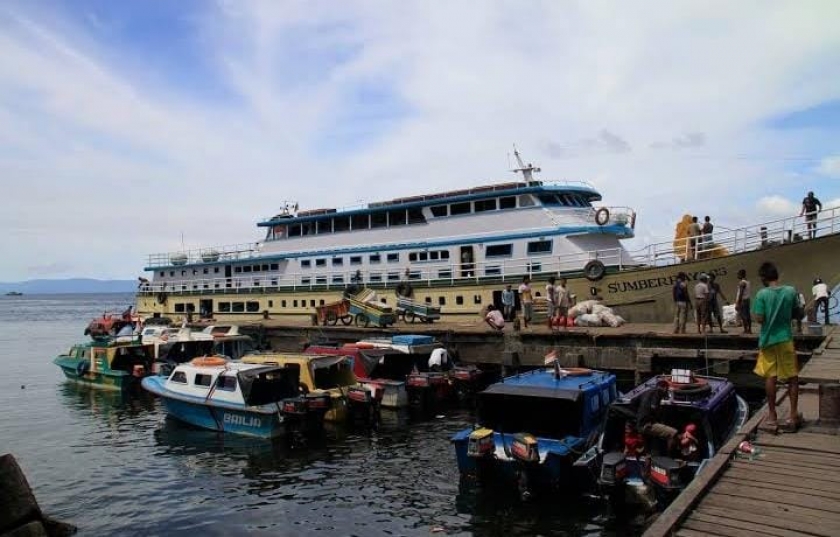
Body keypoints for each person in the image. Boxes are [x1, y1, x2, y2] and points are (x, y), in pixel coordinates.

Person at [753, 261, 802, 433]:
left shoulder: (761, 294)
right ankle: (793, 414)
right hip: (785, 339)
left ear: (763, 278)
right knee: (792, 377)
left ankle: (772, 415)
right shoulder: (790, 291)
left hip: (767, 340)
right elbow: (798, 312)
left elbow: (759, 318)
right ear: (776, 276)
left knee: (770, 377)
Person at [635, 379, 678, 454]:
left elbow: (633, 402)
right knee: (673, 433)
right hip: (646, 424)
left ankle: (647, 453)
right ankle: (669, 457)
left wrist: (639, 415)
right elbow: (653, 407)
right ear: (664, 388)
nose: (666, 391)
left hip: (640, 423)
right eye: (667, 389)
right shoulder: (657, 392)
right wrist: (651, 418)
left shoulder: (646, 391)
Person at [735, 269, 752, 334]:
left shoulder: (742, 283)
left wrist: (738, 303)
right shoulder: (748, 282)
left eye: (738, 274)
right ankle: (750, 329)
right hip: (747, 299)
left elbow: (741, 293)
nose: (737, 276)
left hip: (743, 300)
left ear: (741, 275)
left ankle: (745, 330)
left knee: (743, 315)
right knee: (748, 315)